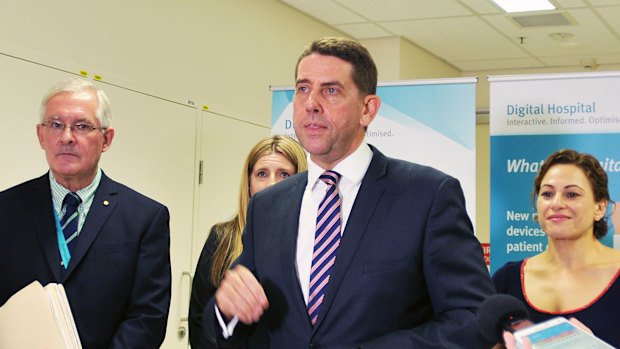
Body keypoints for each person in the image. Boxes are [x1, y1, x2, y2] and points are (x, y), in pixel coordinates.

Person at [202, 37, 495, 348]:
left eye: (330, 90)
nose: (311, 103)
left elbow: (472, 317)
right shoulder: (267, 206)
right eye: (303, 89)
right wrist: (225, 309)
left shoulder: (428, 196)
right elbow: (226, 321)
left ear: (367, 109)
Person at [0, 77, 171, 348]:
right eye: (55, 125)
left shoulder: (144, 218)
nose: (66, 137)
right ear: (41, 135)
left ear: (106, 139)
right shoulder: (6, 210)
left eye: (81, 126)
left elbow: (147, 317)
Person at [188, 135, 308, 348]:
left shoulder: (314, 244)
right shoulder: (222, 238)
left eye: (284, 174)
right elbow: (199, 323)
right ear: (249, 183)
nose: (272, 184)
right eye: (262, 174)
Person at [493, 149, 620, 348]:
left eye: (571, 194)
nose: (557, 203)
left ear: (600, 208)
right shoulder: (506, 280)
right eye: (547, 194)